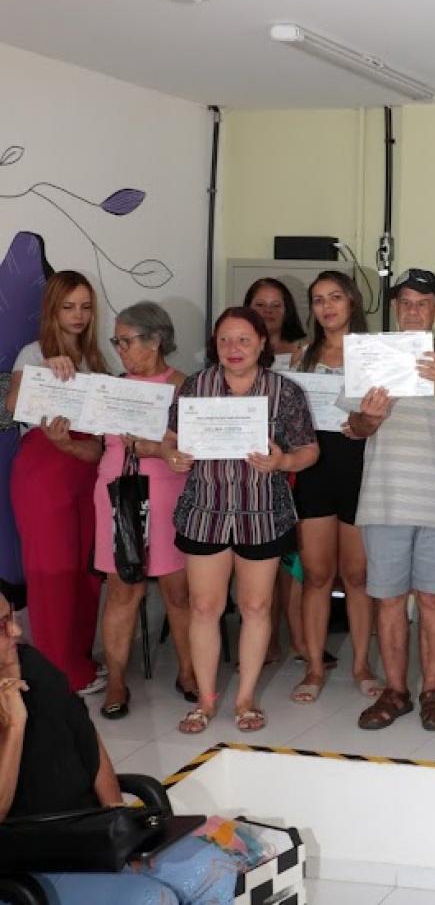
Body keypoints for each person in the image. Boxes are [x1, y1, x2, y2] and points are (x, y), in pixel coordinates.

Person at [0, 593, 254, 904]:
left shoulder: (34, 665)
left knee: (215, 867)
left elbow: (91, 748)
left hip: (88, 836)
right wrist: (15, 727)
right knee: (151, 898)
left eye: (11, 616)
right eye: (2, 626)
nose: (15, 630)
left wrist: (120, 834)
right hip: (30, 862)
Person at [163, 307, 319, 735]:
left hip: (262, 514)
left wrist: (283, 460)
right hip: (206, 512)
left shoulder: (283, 391)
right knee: (204, 607)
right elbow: (171, 437)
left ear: (262, 343)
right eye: (225, 340)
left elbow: (309, 450)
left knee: (255, 607)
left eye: (244, 340)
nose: (233, 349)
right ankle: (206, 700)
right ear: (215, 343)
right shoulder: (196, 386)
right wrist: (171, 454)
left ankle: (246, 698)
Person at [352, 269, 435, 733]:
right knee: (389, 600)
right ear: (395, 308)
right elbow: (355, 429)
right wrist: (370, 417)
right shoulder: (369, 358)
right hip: (383, 499)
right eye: (405, 302)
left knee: (434, 599)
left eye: (423, 302)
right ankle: (396, 691)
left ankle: (432, 691)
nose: (413, 310)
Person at [4, 271, 108, 693]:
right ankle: (55, 675)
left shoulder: (98, 356)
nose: (78, 315)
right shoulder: (34, 352)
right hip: (43, 473)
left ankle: (76, 662)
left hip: (88, 469)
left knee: (85, 572)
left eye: (85, 306)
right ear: (52, 309)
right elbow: (13, 404)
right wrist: (45, 372)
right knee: (51, 573)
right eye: (69, 306)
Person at [94, 302, 195, 719]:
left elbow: (199, 447)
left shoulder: (186, 386)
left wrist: (157, 448)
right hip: (117, 493)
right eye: (116, 341)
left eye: (126, 340)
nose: (120, 349)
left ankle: (189, 670)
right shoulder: (112, 386)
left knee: (178, 590)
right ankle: (117, 679)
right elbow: (96, 444)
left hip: (170, 492)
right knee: (122, 588)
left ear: (155, 341)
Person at [289, 271, 381, 703]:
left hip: (361, 470)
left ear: (352, 302)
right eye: (318, 299)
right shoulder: (302, 356)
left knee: (358, 576)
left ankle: (362, 664)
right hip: (314, 473)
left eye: (335, 297)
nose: (327, 307)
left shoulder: (374, 353)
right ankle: (312, 666)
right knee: (316, 575)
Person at [243, 277, 310, 666]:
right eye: (260, 303)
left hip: (295, 465)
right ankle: (265, 642)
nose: (267, 312)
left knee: (294, 559)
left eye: (276, 305)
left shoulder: (302, 352)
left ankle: (299, 637)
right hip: (252, 471)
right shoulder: (234, 356)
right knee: (259, 559)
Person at [243, 277, 307, 369]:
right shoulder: (235, 348)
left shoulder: (305, 351)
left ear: (287, 310)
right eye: (260, 305)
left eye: (276, 305)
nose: (268, 310)